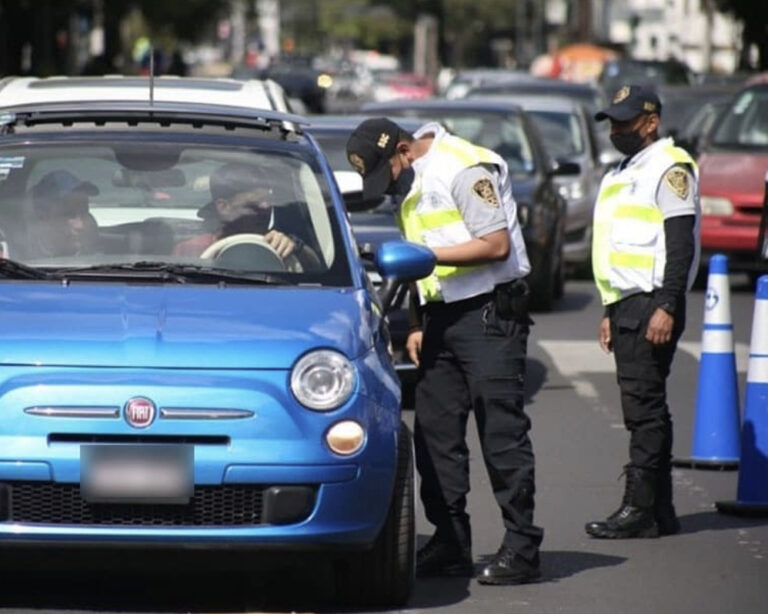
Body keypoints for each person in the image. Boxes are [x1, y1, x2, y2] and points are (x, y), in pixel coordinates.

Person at [346, 118, 543, 585]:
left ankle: (522, 546)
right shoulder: (412, 182)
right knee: (434, 436)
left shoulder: (463, 165)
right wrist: (416, 322)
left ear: (402, 149)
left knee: (501, 435)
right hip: (440, 319)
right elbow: (418, 257)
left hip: (489, 315)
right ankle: (451, 541)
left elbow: (495, 244)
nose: (389, 183)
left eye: (388, 171)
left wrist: (433, 258)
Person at [586, 84, 700, 539]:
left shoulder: (670, 168)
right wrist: (610, 308)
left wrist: (667, 305)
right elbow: (616, 250)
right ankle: (661, 509)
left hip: (653, 302)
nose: (615, 128)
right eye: (611, 120)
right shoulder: (623, 170)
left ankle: (638, 508)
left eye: (624, 120)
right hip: (628, 303)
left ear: (651, 122)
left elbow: (680, 245)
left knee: (643, 411)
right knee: (651, 407)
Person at [174, 161, 318, 268]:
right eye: (254, 204)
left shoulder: (278, 246)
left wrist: (296, 247)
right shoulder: (190, 249)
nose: (266, 207)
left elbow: (317, 273)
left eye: (268, 201)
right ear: (224, 207)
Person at [29, 170, 100, 258]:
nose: (80, 226)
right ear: (42, 216)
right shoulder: (18, 258)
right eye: (69, 214)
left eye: (84, 212)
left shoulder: (100, 261)